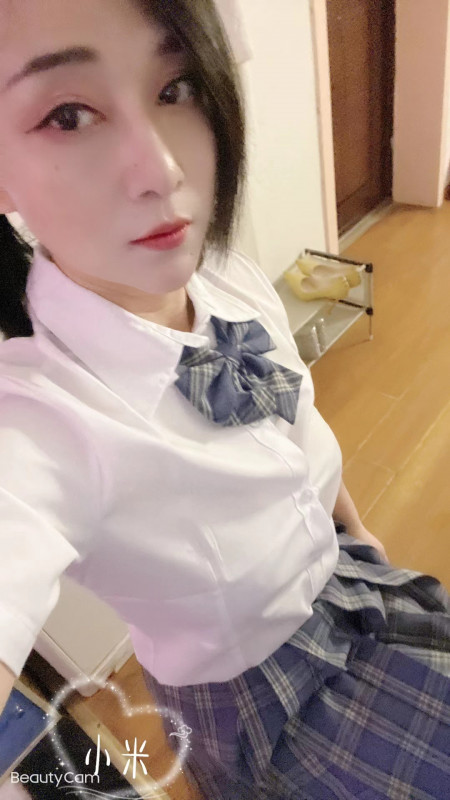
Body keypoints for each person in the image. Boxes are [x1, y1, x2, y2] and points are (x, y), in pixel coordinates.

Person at [0, 1, 448, 798]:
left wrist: (356, 532)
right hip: (272, 706)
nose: (162, 170)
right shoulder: (37, 421)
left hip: (354, 587)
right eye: (68, 115)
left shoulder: (227, 277)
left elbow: (295, 423)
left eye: (175, 89)